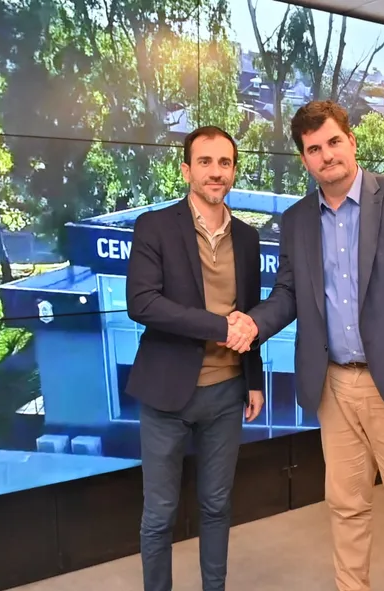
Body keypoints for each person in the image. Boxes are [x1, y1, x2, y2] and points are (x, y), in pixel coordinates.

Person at [228, 100, 384, 591]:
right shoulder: (297, 220)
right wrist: (253, 325)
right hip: (335, 387)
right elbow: (288, 294)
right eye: (313, 149)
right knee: (345, 507)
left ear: (352, 141)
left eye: (333, 142)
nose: (326, 155)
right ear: (304, 159)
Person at [124, 125, 265, 591]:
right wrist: (218, 327)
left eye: (224, 162)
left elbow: (248, 315)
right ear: (187, 170)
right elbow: (142, 303)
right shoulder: (155, 226)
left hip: (227, 394)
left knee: (217, 506)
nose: (215, 171)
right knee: (159, 514)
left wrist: (254, 379)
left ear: (234, 171)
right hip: (167, 394)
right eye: (205, 162)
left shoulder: (247, 238)